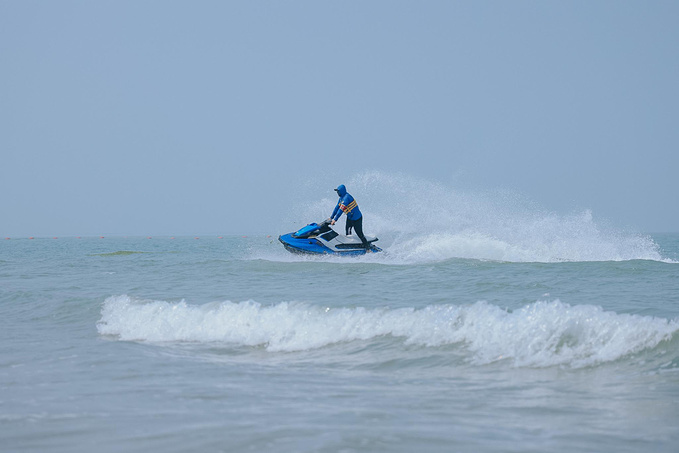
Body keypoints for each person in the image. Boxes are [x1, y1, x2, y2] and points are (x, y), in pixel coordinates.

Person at [329, 184, 371, 250]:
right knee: (348, 234)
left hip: (357, 219)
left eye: (338, 191)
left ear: (342, 191)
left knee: (360, 234)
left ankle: (368, 249)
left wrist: (335, 220)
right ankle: (350, 247)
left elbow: (341, 210)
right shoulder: (341, 198)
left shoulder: (346, 198)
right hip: (350, 218)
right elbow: (336, 208)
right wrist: (331, 217)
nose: (337, 193)